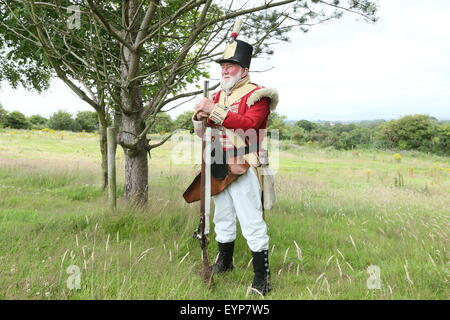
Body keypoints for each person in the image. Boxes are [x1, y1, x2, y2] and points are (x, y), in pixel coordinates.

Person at [191, 38, 278, 295]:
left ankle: (262, 278)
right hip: (218, 163)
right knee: (223, 216)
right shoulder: (217, 95)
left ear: (245, 70)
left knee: (251, 221)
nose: (225, 70)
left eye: (231, 65)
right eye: (223, 66)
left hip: (243, 164)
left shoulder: (258, 95)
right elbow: (202, 134)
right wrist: (199, 117)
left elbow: (248, 126)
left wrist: (213, 109)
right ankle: (225, 263)